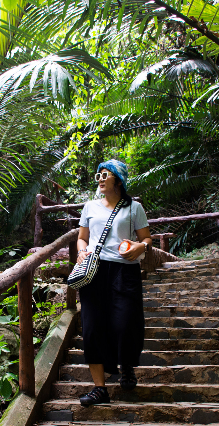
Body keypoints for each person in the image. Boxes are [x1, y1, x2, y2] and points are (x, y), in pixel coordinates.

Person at [75, 160, 152, 406]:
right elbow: (81, 238)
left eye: (105, 175)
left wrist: (141, 246)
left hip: (125, 270)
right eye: (98, 174)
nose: (99, 178)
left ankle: (127, 365)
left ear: (118, 180)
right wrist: (81, 251)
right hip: (94, 270)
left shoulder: (134, 208)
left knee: (125, 323)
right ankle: (100, 389)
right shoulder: (89, 207)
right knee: (92, 327)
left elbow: (147, 238)